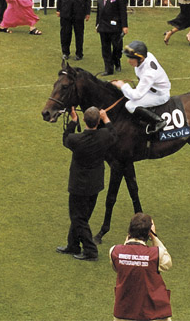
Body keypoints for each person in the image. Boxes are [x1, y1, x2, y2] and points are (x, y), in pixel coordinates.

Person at [57, 106, 117, 262]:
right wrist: (106, 118)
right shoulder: (104, 136)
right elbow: (113, 134)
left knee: (78, 218)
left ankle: (90, 250)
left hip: (79, 185)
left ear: (84, 120)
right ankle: (73, 245)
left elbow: (66, 137)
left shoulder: (76, 140)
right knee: (82, 216)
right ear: (98, 121)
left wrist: (73, 120)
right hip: (95, 184)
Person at [109, 213, 172, 321]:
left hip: (124, 311)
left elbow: (118, 268)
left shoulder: (114, 251)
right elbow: (168, 264)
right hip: (153, 312)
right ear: (149, 232)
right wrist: (154, 237)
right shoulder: (156, 254)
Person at [112, 41, 170, 134]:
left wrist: (122, 86)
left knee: (130, 105)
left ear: (141, 58)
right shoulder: (146, 57)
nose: (128, 61)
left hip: (160, 95)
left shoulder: (148, 73)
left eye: (131, 58)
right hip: (151, 88)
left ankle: (158, 121)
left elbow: (136, 95)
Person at [96, 0, 128, 76]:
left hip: (115, 26)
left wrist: (124, 26)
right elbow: (99, 10)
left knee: (117, 46)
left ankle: (117, 61)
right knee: (105, 48)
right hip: (103, 26)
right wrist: (97, 24)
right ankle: (108, 69)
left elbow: (123, 11)